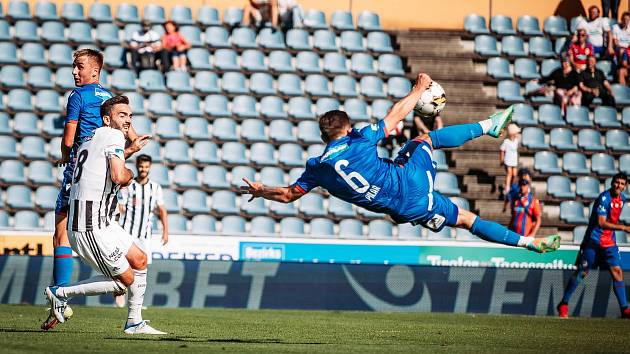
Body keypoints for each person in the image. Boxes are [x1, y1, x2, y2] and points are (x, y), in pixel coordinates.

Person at [241, 73, 561, 254]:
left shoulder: (317, 167)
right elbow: (396, 115)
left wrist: (261, 190)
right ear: (346, 129)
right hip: (411, 183)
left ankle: (529, 242)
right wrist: (418, 89)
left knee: (466, 219)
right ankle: (489, 126)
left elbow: (287, 195)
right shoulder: (359, 139)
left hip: (408, 209)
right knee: (422, 141)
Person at [43, 49, 147, 331]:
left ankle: (60, 295)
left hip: (80, 171)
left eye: (79, 67)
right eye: (74, 67)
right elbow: (132, 135)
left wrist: (66, 154)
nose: (75, 72)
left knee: (61, 233)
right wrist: (131, 148)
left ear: (94, 70)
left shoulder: (78, 96)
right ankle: (133, 318)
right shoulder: (111, 101)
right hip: (104, 172)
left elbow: (68, 137)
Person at [557, 172, 630, 319]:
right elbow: (601, 223)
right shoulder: (604, 198)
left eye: (622, 184)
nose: (619, 186)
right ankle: (563, 304)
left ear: (625, 186)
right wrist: (623, 228)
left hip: (610, 243)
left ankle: (624, 309)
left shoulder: (622, 198)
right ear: (612, 183)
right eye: (617, 182)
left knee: (617, 272)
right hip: (594, 241)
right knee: (581, 273)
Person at [115, 154, 169, 307]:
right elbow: (121, 207)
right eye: (141, 166)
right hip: (127, 232)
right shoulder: (129, 186)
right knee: (124, 264)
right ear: (137, 166)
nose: (143, 169)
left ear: (149, 167)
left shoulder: (155, 187)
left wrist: (165, 231)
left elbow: (162, 210)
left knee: (141, 268)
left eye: (146, 167)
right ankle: (120, 293)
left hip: (144, 235)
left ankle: (136, 301)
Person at [500, 123, 520, 199]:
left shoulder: (516, 141)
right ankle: (507, 188)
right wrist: (501, 159)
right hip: (508, 160)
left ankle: (511, 186)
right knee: (509, 173)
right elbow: (502, 150)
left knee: (514, 174)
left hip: (514, 161)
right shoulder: (506, 142)